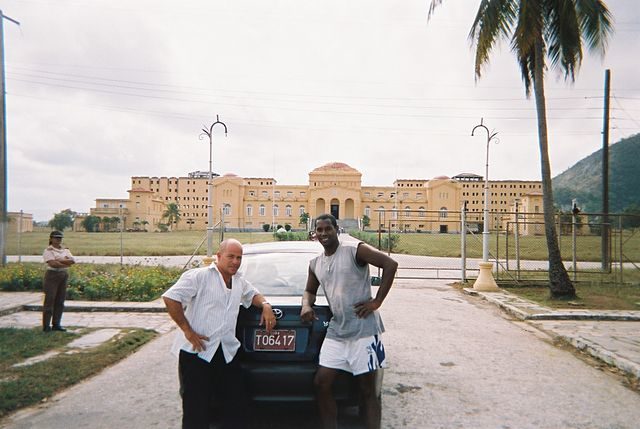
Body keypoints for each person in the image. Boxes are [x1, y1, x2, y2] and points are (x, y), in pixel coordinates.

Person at [162, 238, 276, 429]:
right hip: (197, 352)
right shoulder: (199, 276)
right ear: (219, 256)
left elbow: (254, 295)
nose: (235, 262)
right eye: (231, 256)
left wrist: (265, 305)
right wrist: (187, 331)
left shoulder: (239, 281)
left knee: (235, 406)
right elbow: (171, 298)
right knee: (196, 411)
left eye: (239, 258)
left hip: (226, 352)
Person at [301, 214, 398, 429]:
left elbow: (390, 264)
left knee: (367, 391)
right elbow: (309, 290)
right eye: (320, 230)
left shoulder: (355, 251)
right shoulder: (315, 264)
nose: (324, 233)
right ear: (315, 233)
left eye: (328, 229)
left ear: (337, 230)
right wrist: (306, 305)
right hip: (337, 332)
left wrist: (377, 301)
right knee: (321, 383)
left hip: (364, 331)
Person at [42, 230, 75, 332]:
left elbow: (72, 261)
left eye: (60, 238)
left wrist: (59, 261)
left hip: (63, 274)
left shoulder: (65, 250)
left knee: (60, 301)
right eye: (56, 238)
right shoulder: (48, 250)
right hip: (52, 275)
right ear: (51, 239)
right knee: (50, 300)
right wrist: (65, 263)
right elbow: (52, 264)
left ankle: (56, 324)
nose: (58, 240)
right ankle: (46, 326)